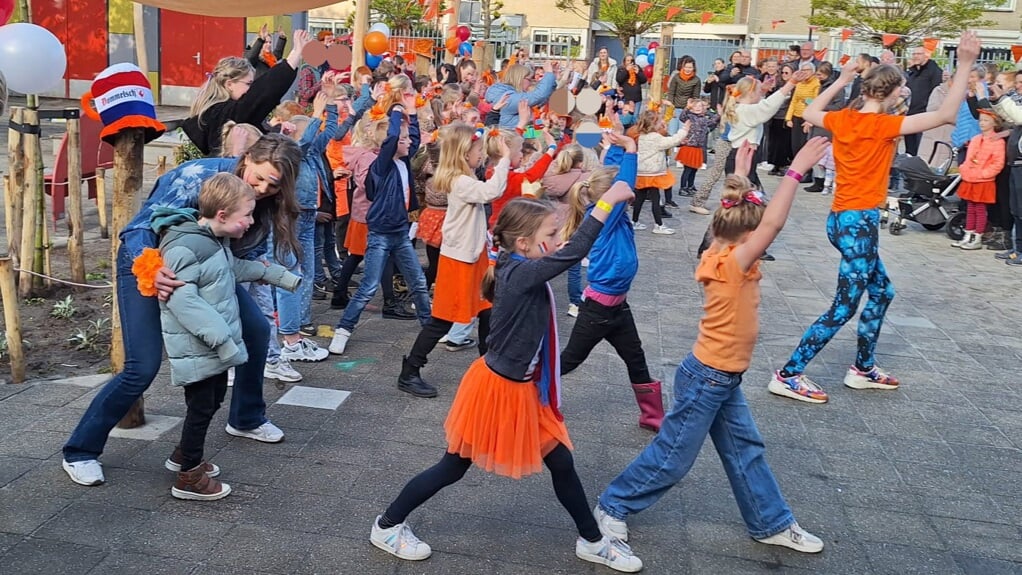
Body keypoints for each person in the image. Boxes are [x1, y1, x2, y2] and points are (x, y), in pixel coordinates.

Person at [369, 190, 643, 574]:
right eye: (552, 231)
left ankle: (593, 541)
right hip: (497, 391)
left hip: (523, 388)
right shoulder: (521, 273)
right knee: (453, 466)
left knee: (562, 462)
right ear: (523, 243)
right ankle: (386, 526)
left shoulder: (521, 268)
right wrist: (606, 201)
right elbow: (575, 251)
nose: (559, 239)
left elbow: (567, 249)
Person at [593, 140, 829, 557]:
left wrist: (742, 165)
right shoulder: (731, 263)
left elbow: (745, 214)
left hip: (720, 376)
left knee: (745, 449)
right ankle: (613, 506)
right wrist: (794, 172)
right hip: (708, 377)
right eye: (757, 235)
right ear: (747, 236)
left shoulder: (719, 248)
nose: (763, 240)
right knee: (673, 457)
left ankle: (770, 521)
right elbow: (771, 225)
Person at [61, 134, 303, 487]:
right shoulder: (199, 176)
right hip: (152, 266)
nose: (263, 187)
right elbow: (138, 230)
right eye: (259, 176)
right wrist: (152, 267)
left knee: (255, 329)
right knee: (141, 367)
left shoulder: (265, 202)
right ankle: (80, 450)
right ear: (246, 157)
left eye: (274, 183)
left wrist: (264, 273)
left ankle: (246, 417)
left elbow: (245, 253)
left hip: (214, 268)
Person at [767, 31, 981, 404]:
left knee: (882, 292)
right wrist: (964, 63)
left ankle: (863, 369)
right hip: (857, 224)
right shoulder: (882, 127)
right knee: (844, 305)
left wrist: (845, 77)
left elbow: (812, 111)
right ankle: (789, 373)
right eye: (900, 91)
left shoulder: (845, 119)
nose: (903, 96)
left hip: (844, 220)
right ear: (890, 92)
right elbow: (947, 114)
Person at [153, 174, 300, 500]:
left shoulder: (213, 241)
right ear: (222, 215)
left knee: (209, 402)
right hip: (199, 347)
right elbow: (181, 298)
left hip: (210, 348)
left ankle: (184, 456)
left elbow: (228, 269)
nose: (251, 221)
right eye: (246, 215)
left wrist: (273, 274)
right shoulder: (186, 246)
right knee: (202, 406)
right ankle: (188, 477)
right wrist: (222, 339)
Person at [395, 124, 513, 398]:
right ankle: (410, 371)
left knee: (487, 311)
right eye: (477, 150)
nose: (481, 155)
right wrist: (505, 158)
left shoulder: (463, 174)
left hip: (472, 255)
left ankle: (490, 371)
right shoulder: (459, 180)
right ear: (463, 153)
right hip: (460, 259)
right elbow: (490, 192)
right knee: (443, 319)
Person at [559, 132, 665, 432]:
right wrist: (632, 148)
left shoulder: (612, 214)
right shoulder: (605, 216)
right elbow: (624, 184)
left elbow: (615, 179)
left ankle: (652, 416)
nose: (629, 193)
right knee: (569, 360)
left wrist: (616, 149)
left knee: (636, 358)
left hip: (618, 308)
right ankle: (527, 394)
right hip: (598, 311)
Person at [328, 86, 434, 355]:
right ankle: (343, 329)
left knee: (419, 283)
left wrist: (410, 110)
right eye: (403, 140)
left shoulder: (403, 161)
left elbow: (415, 137)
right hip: (380, 232)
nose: (409, 143)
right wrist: (396, 112)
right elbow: (391, 141)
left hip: (400, 231)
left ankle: (429, 326)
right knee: (368, 286)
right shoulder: (381, 165)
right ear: (389, 142)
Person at [183, 30, 311, 156]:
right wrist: (295, 55)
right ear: (229, 84)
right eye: (248, 84)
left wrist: (279, 133)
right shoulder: (220, 114)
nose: (251, 89)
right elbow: (260, 95)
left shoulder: (219, 113)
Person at [631, 109, 690, 235]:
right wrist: (684, 130)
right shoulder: (656, 137)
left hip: (642, 172)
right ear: (654, 124)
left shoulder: (642, 136)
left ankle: (634, 221)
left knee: (640, 198)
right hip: (653, 173)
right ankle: (658, 224)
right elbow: (671, 141)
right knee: (656, 198)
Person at [953, 109, 1005, 250]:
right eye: (981, 120)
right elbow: (969, 159)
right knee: (970, 208)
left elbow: (997, 163)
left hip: (984, 181)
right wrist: (964, 170)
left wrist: (983, 174)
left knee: (980, 209)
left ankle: (977, 237)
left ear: (994, 123)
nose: (982, 123)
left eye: (986, 120)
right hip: (970, 178)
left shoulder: (998, 142)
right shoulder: (976, 139)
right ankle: (967, 234)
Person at [485, 63, 560, 128]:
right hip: (509, 140)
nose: (530, 83)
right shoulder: (507, 97)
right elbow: (538, 96)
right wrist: (549, 74)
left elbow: (540, 101)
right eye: (529, 79)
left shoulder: (507, 94)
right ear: (520, 78)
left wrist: (552, 78)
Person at [673, 99, 720, 199]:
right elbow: (682, 117)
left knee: (694, 169)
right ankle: (683, 188)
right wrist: (687, 107)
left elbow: (713, 122)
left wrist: (718, 114)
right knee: (688, 169)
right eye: (696, 106)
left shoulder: (704, 119)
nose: (699, 108)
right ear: (692, 108)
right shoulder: (690, 116)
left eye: (701, 106)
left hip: (698, 147)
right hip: (689, 146)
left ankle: (690, 186)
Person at [904, 46, 945, 156]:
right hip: (910, 115)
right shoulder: (912, 72)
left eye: (919, 54)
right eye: (914, 54)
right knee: (909, 149)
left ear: (926, 56)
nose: (915, 56)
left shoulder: (934, 71)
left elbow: (936, 92)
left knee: (920, 148)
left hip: (924, 116)